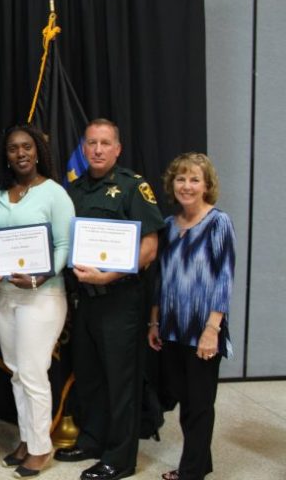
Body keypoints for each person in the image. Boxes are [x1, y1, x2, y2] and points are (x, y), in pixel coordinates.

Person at [55, 119, 165, 480]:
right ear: (83, 148)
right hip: (85, 300)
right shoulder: (75, 189)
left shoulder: (134, 187)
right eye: (91, 143)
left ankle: (120, 457)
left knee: (121, 381)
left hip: (121, 300)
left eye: (105, 143)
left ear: (117, 149)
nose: (98, 149)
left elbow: (149, 249)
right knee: (89, 376)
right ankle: (92, 439)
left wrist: (110, 275)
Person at [0, 125, 75, 478]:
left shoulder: (55, 194)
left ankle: (41, 447)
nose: (20, 153)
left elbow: (65, 246)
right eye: (12, 148)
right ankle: (26, 439)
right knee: (17, 372)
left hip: (43, 295)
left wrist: (41, 275)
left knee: (34, 372)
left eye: (26, 147)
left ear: (38, 151)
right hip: (3, 294)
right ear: (5, 155)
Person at [148, 153, 235, 480]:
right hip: (171, 327)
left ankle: (192, 473)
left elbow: (224, 279)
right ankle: (200, 462)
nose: (186, 185)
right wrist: (154, 321)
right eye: (181, 179)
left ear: (207, 185)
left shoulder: (218, 222)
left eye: (194, 179)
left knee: (199, 405)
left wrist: (213, 329)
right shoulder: (169, 225)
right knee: (185, 401)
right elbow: (162, 277)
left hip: (203, 328)